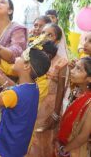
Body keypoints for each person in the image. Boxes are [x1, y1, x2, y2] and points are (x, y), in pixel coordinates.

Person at [0, 37, 54, 157]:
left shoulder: (14, 94)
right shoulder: (34, 88)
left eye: (20, 57)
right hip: (15, 149)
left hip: (0, 150)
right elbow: (15, 88)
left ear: (26, 66)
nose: (16, 58)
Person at [27, 27, 68, 156]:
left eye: (50, 34)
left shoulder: (62, 62)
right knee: (30, 135)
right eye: (44, 33)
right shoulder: (36, 55)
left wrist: (55, 113)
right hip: (35, 100)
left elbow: (61, 87)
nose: (45, 36)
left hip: (50, 105)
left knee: (44, 137)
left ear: (58, 39)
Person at [55, 57, 91, 157]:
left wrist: (64, 150)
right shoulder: (78, 91)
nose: (72, 71)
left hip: (75, 150)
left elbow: (84, 136)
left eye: (78, 69)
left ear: (89, 79)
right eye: (74, 67)